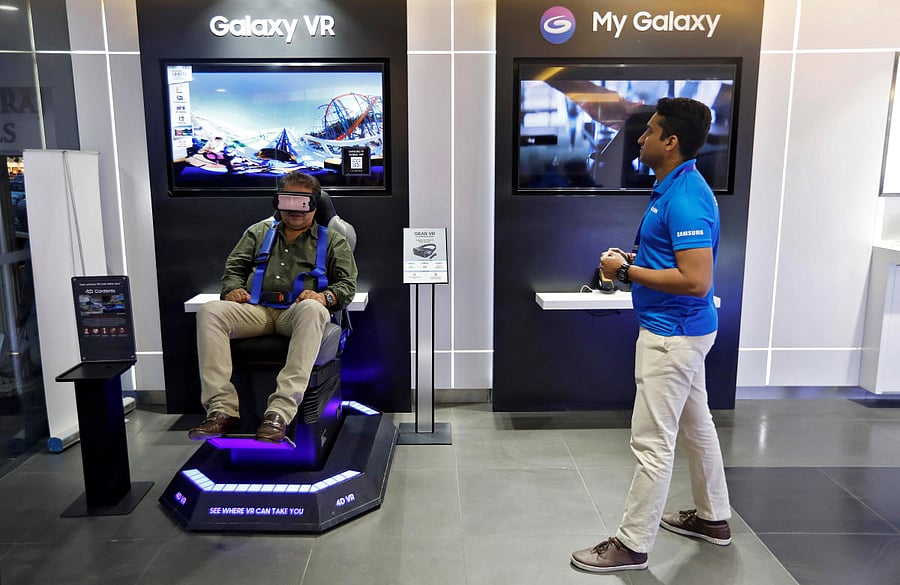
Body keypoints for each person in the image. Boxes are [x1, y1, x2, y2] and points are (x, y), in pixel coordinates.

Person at [571, 97, 731, 573]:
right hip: (682, 332)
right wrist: (635, 263)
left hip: (671, 337)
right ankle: (713, 518)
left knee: (652, 442)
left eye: (650, 131)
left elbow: (696, 280)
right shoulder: (676, 186)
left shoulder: (685, 198)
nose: (640, 139)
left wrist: (625, 272)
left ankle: (632, 544)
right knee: (697, 427)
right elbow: (676, 265)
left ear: (671, 141)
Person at [188, 171, 357, 443]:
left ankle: (279, 413)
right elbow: (234, 270)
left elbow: (347, 285)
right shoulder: (258, 233)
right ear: (277, 202)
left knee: (313, 310)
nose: (295, 209)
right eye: (288, 201)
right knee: (210, 311)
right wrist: (232, 289)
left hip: (298, 312)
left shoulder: (333, 240)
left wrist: (324, 297)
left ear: (314, 204)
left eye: (303, 202)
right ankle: (221, 410)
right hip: (258, 309)